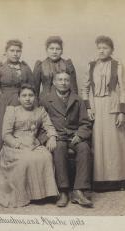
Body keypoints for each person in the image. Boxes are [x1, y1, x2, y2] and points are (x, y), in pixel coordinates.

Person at [0, 83, 58, 208]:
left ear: (35, 97)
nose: (28, 98)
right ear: (19, 98)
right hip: (13, 146)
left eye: (30, 95)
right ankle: (24, 195)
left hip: (34, 144)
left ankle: (43, 194)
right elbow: (6, 135)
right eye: (24, 96)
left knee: (46, 157)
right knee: (25, 159)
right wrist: (18, 145)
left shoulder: (40, 111)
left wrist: (52, 137)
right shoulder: (12, 111)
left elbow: (49, 126)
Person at [82, 35, 125, 192]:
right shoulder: (91, 66)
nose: (102, 50)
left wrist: (122, 112)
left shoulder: (118, 65)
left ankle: (120, 179)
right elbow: (85, 89)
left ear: (112, 50)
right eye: (100, 47)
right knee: (100, 143)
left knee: (116, 144)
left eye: (106, 48)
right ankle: (101, 181)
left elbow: (123, 89)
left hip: (113, 106)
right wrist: (88, 107)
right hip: (97, 107)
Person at [41, 72, 93, 208]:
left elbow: (85, 123)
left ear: (70, 83)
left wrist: (80, 135)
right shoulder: (46, 100)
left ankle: (78, 190)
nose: (63, 82)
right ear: (54, 82)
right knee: (59, 148)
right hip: (56, 136)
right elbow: (40, 123)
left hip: (74, 135)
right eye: (60, 80)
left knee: (84, 148)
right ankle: (63, 190)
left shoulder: (78, 100)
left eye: (66, 80)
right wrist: (48, 138)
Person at [0, 39, 34, 180]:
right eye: (12, 50)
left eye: (18, 51)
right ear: (6, 52)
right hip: (3, 106)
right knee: (1, 137)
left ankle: (19, 174)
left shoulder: (25, 68)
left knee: (19, 134)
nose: (15, 53)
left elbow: (33, 87)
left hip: (22, 104)